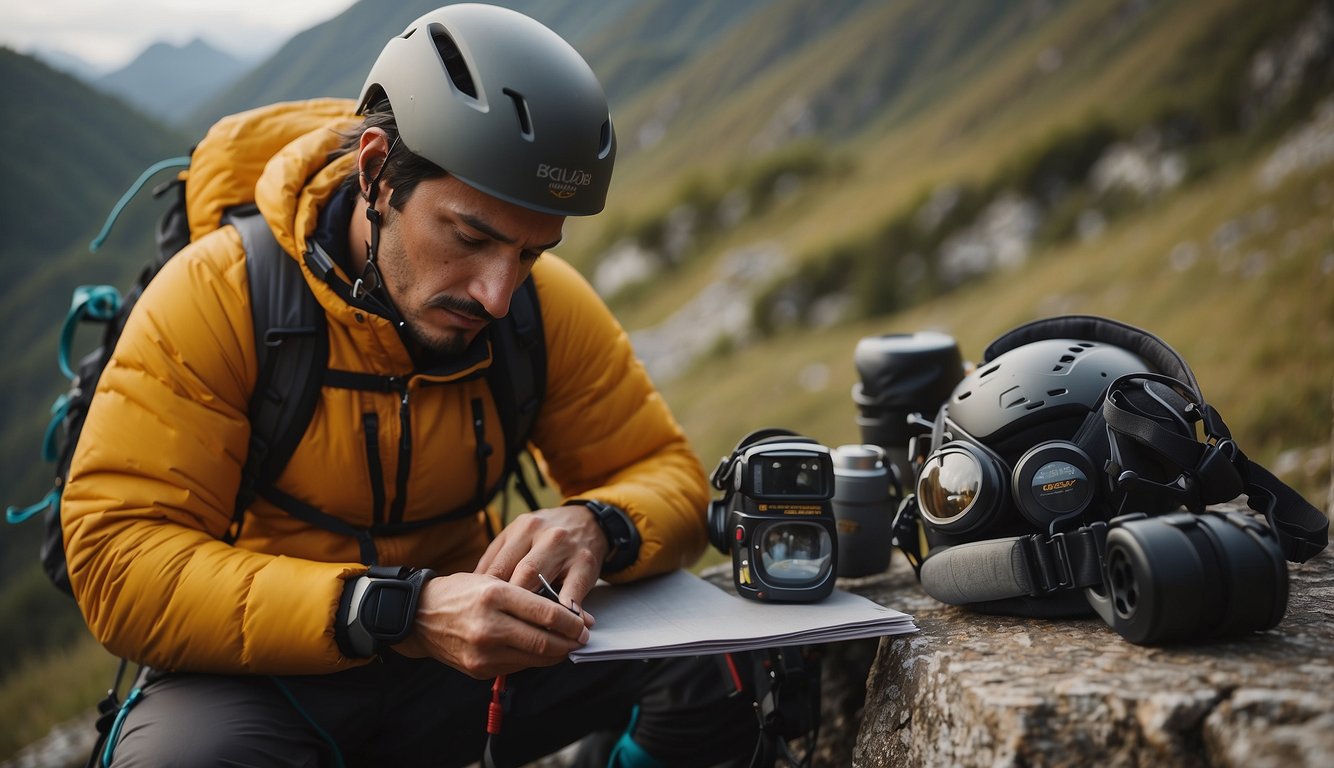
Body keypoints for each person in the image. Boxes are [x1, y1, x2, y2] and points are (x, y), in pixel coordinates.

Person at [61, 5, 759, 766]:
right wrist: (398, 609)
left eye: (530, 252)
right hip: (269, 676)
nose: (497, 294)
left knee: (715, 664)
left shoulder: (540, 306)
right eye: (469, 236)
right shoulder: (220, 296)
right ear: (376, 174)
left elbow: (672, 478)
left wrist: (600, 523)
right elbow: (118, 559)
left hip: (472, 655)